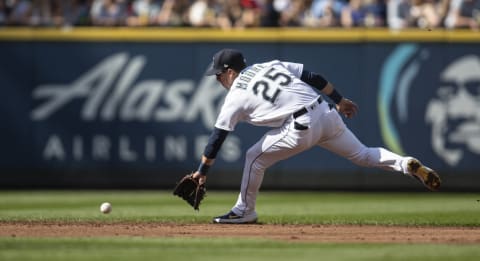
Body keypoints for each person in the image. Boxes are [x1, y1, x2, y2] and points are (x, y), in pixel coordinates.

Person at [193, 48, 441, 224]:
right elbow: (312, 77)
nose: (217, 80)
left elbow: (218, 136)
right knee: (364, 154)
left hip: (301, 125)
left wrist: (201, 173)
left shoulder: (236, 93)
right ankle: (406, 163)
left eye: (218, 75)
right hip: (325, 111)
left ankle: (244, 210)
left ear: (231, 72)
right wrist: (340, 100)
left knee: (253, 157)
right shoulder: (268, 65)